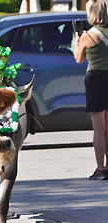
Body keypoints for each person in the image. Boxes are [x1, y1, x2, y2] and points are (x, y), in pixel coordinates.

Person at [75, 0, 108, 180]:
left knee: (98, 129)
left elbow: (78, 58)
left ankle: (100, 169)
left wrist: (77, 41)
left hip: (96, 79)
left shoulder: (89, 35)